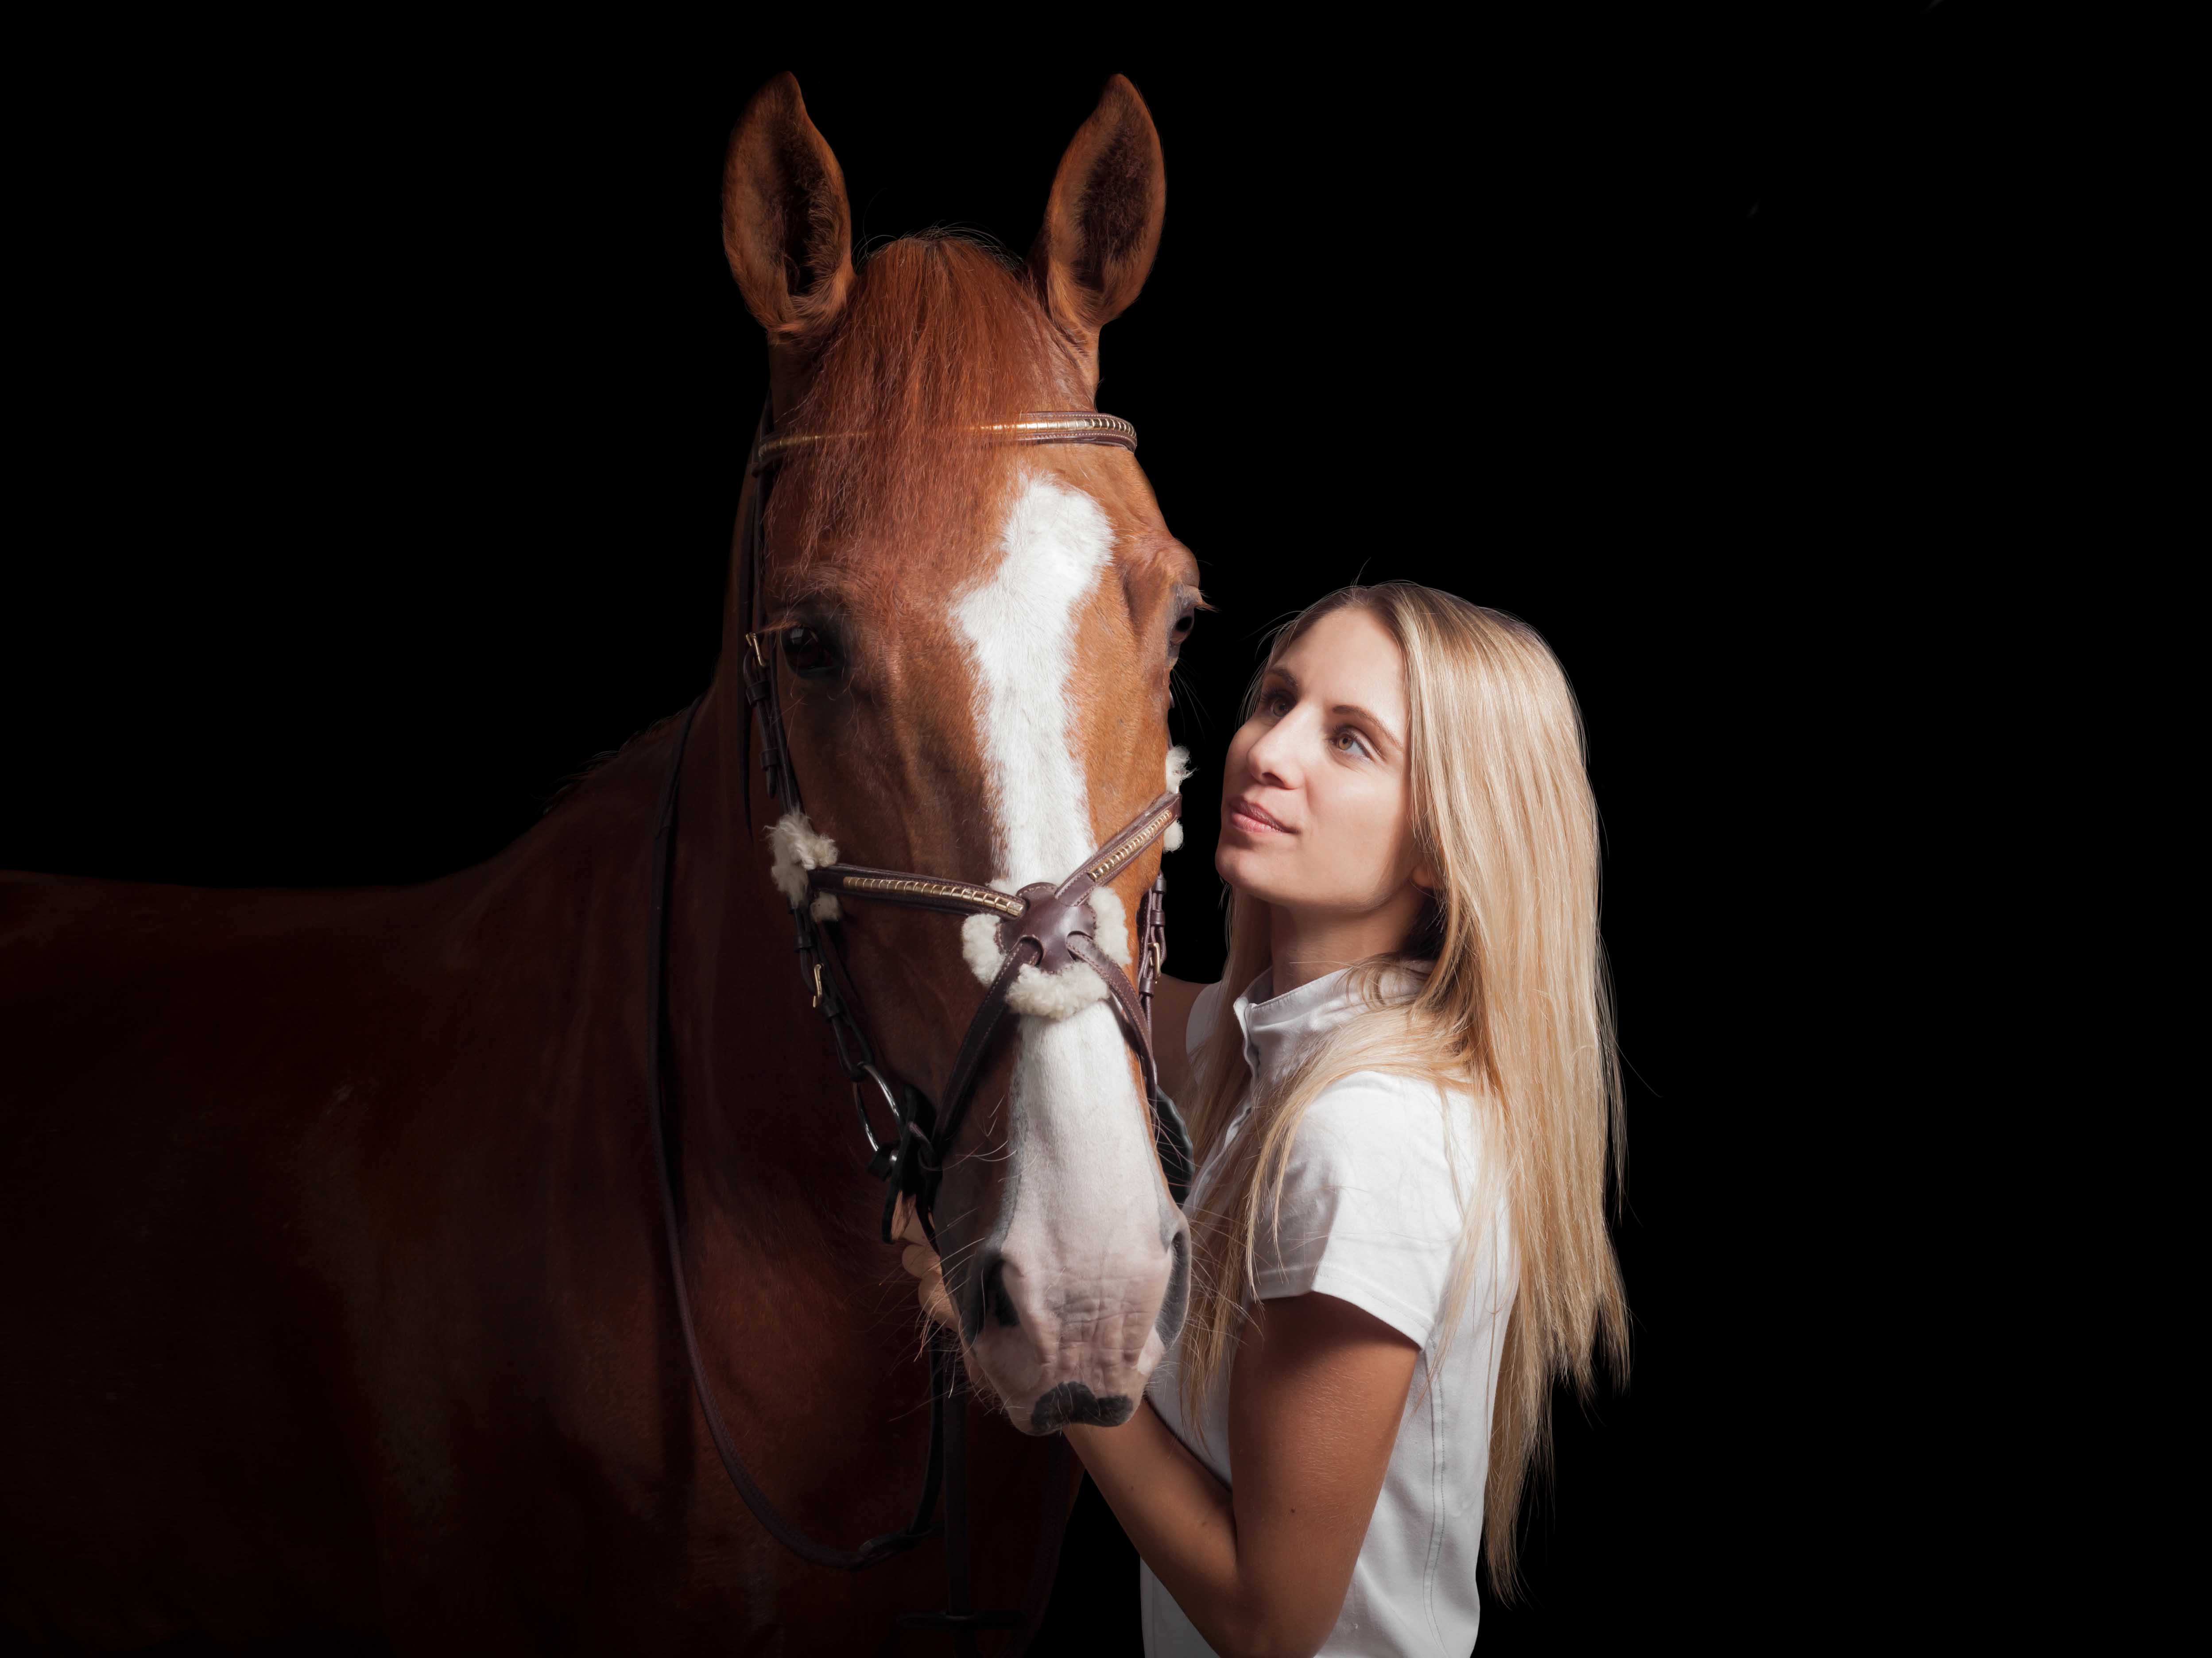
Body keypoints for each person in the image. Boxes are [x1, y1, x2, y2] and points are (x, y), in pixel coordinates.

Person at [900, 581, 1627, 1655]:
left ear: (1440, 842)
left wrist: (1020, 1342)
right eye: (1277, 700)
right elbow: (1088, 995)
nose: (1267, 751)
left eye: (1350, 741)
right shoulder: (1268, 1042)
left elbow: (1267, 1621)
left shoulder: (1365, 1140)